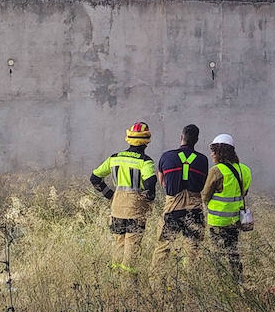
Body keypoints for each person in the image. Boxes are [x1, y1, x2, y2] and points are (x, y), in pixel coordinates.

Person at [90, 121, 157, 270]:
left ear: (128, 138)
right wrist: (148, 201)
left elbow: (94, 178)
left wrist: (110, 195)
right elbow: (150, 187)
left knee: (119, 243)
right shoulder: (145, 162)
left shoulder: (114, 158)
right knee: (132, 245)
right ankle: (129, 281)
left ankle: (116, 278)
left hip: (117, 207)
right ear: (147, 141)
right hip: (135, 209)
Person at [151, 123, 209, 269]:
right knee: (192, 249)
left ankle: (156, 284)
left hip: (172, 207)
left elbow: (162, 181)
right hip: (194, 209)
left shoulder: (166, 156)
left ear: (181, 137)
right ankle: (188, 282)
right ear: (196, 140)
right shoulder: (203, 160)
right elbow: (203, 183)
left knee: (163, 246)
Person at [201, 133, 251, 282]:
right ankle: (238, 279)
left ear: (220, 152)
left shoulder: (216, 171)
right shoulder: (245, 170)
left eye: (213, 151)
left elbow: (205, 195)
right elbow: (244, 192)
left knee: (217, 253)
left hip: (217, 221)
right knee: (233, 251)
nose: (211, 154)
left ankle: (219, 280)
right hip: (235, 220)